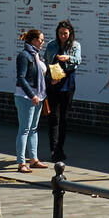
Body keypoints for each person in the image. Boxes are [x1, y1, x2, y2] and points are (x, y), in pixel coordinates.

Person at [44, 20, 81, 165]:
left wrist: (68, 58)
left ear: (70, 33)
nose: (62, 36)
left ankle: (60, 149)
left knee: (64, 118)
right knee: (54, 117)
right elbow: (46, 62)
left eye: (65, 33)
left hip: (68, 83)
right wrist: (50, 78)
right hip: (53, 83)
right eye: (60, 33)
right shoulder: (52, 44)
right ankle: (53, 150)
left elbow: (78, 60)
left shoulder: (75, 45)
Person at [15, 28, 48, 173]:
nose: (42, 42)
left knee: (33, 129)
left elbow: (40, 75)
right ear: (33, 40)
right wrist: (31, 95)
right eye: (41, 39)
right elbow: (21, 78)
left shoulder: (37, 56)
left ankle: (33, 159)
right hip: (25, 97)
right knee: (25, 129)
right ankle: (21, 162)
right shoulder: (24, 55)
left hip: (38, 96)